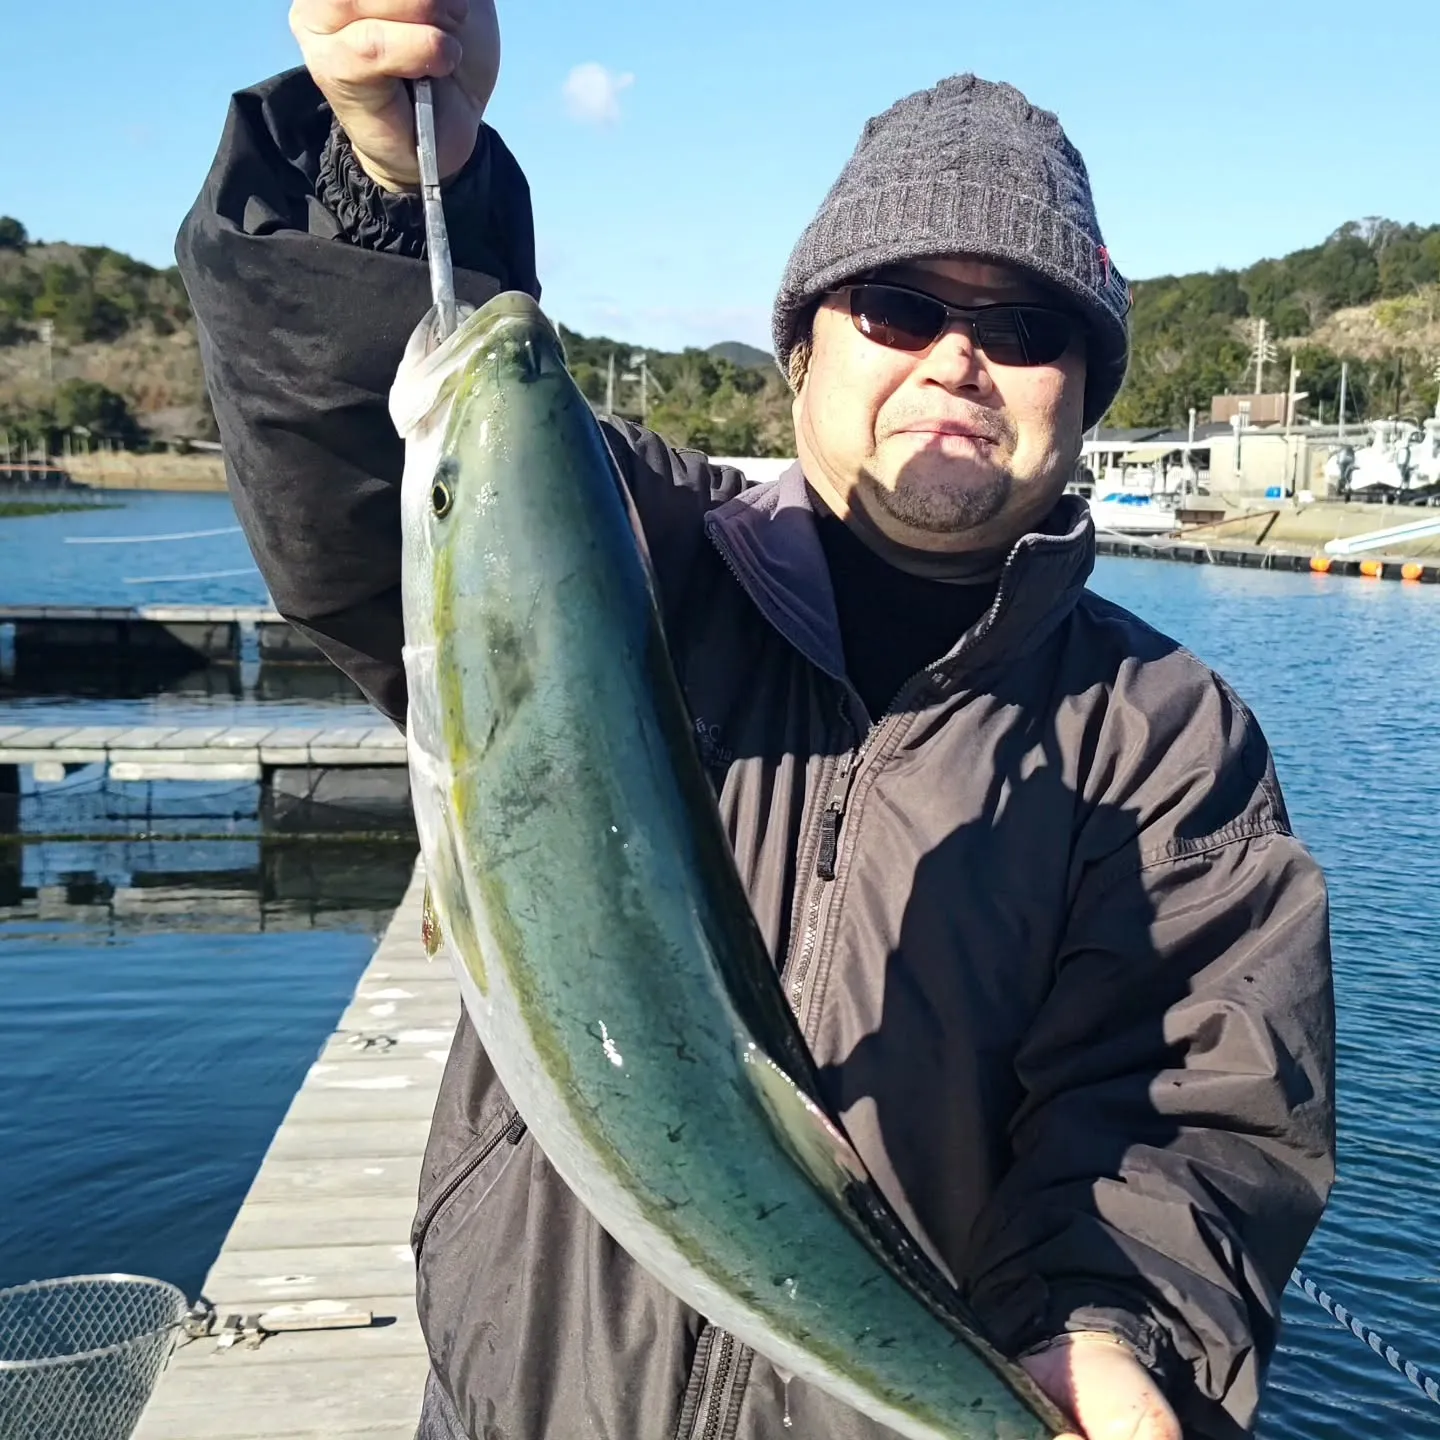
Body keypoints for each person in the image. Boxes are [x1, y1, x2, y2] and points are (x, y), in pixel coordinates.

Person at [177, 5, 1335, 1438]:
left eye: (1026, 330)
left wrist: (1114, 1328)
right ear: (800, 351)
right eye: (900, 308)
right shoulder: (643, 559)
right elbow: (357, 474)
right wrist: (389, 169)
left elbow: (1187, 1109)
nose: (958, 360)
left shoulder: (1168, 741)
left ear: (1084, 397)